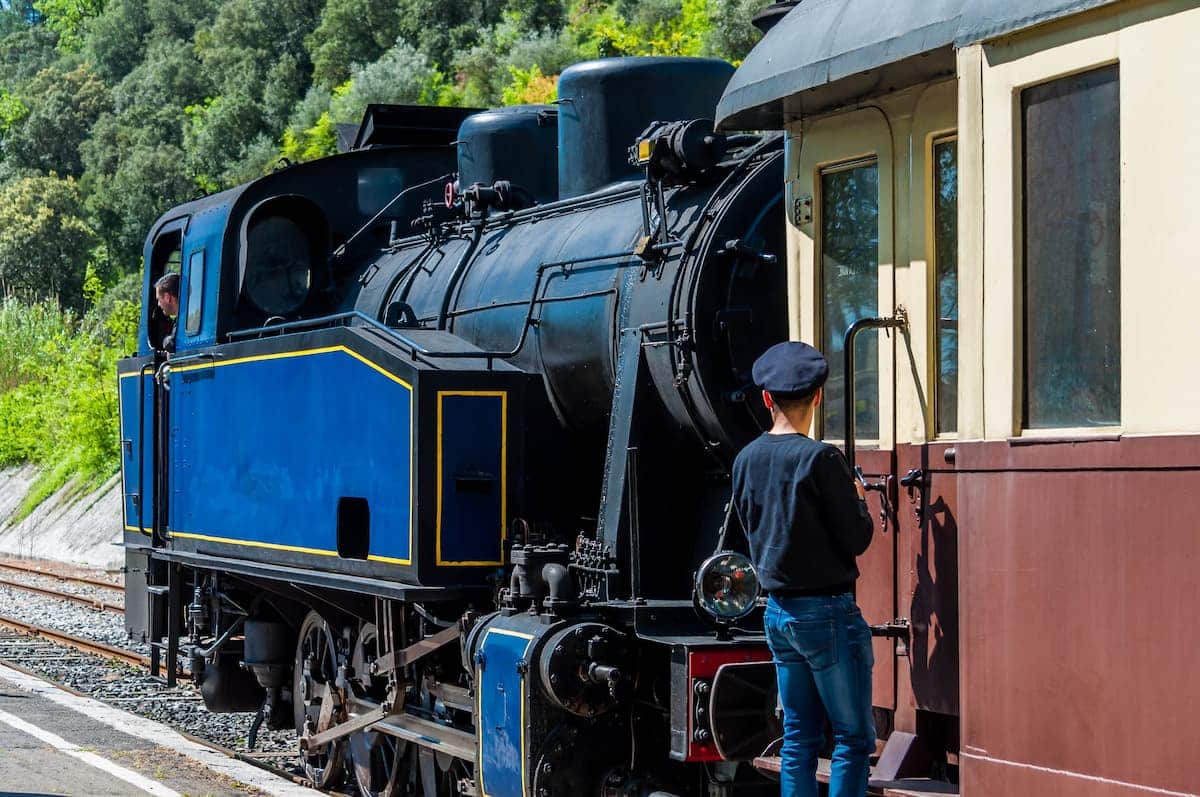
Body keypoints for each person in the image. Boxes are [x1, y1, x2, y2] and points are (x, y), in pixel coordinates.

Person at [731, 341, 875, 797]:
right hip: (828, 613)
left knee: (798, 739)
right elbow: (857, 538)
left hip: (778, 614)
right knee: (852, 739)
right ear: (817, 397)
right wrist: (859, 501)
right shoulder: (821, 458)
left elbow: (746, 527)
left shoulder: (745, 460)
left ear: (766, 399)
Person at [155, 272, 180, 352]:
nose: (158, 304)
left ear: (167, 297)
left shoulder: (183, 322)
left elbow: (173, 342)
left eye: (159, 299)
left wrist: (166, 342)